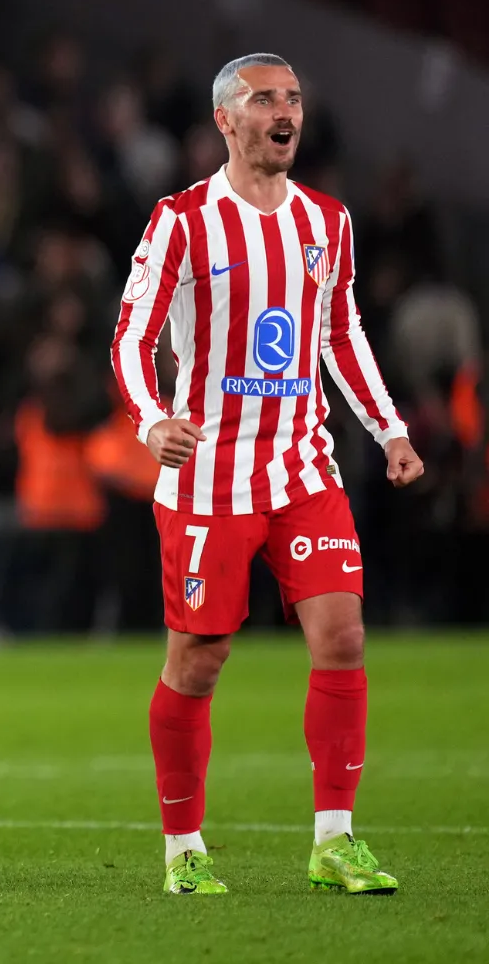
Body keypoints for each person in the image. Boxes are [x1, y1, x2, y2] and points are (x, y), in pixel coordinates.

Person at [110, 53, 425, 895]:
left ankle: (335, 839)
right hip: (208, 474)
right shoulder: (181, 221)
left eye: (293, 98)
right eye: (264, 99)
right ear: (225, 120)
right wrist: (153, 420)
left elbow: (340, 335)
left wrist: (389, 430)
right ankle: (183, 850)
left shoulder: (328, 220)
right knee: (199, 660)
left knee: (344, 636)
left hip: (302, 467)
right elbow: (131, 338)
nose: (285, 111)